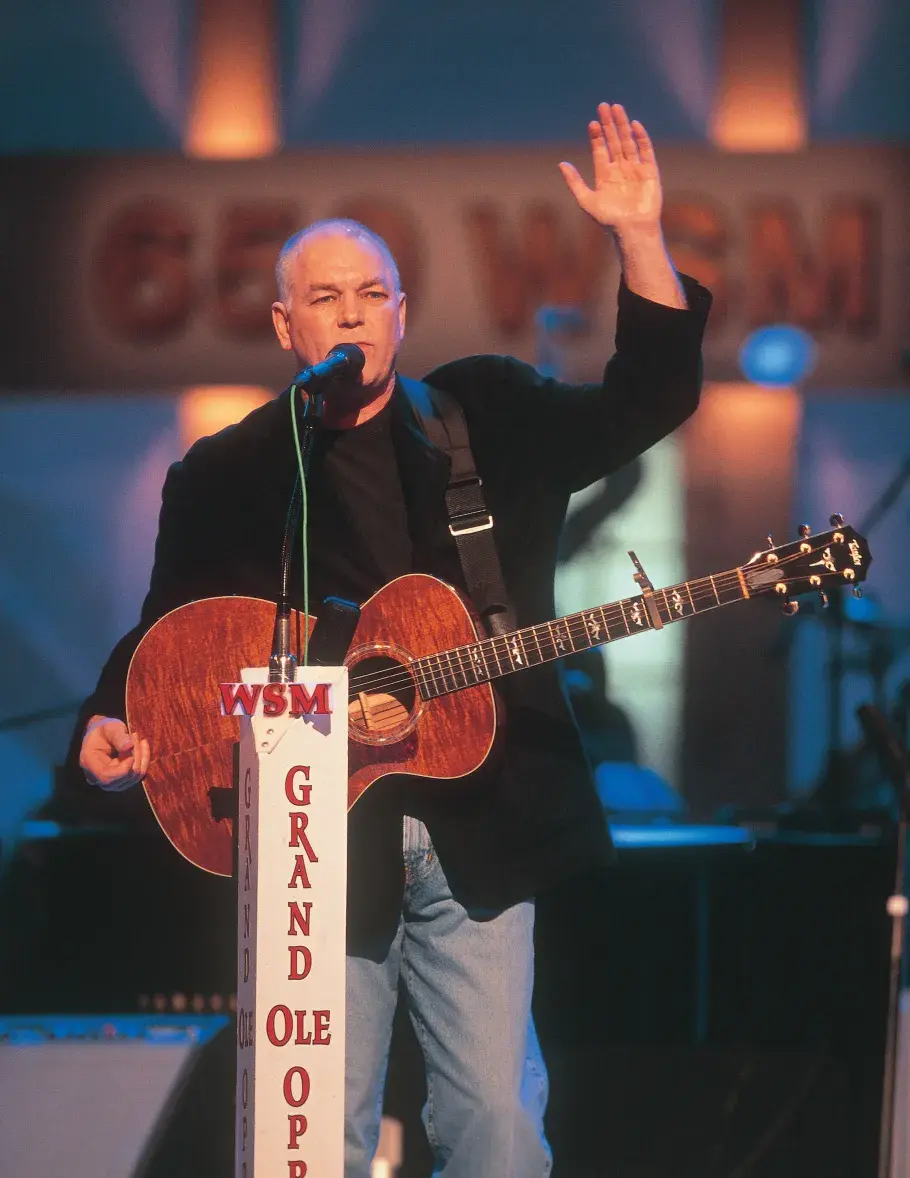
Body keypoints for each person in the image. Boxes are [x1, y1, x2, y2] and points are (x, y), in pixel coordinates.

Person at [76, 103, 712, 1177]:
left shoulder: (485, 415)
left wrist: (637, 236)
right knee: (311, 1136)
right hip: (311, 840)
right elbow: (172, 622)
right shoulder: (229, 472)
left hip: (482, 817)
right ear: (286, 326)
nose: (352, 316)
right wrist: (112, 710)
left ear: (402, 314)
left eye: (373, 295)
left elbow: (648, 397)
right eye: (325, 298)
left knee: (497, 1130)